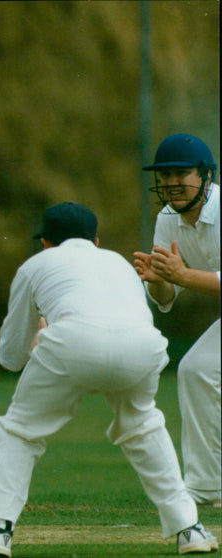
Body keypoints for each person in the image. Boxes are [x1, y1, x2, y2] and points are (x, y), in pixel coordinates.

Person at [0, 203, 218, 557]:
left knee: (19, 429)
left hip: (72, 344)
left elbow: (10, 357)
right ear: (95, 240)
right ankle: (190, 528)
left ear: (45, 243)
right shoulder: (118, 263)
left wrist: (41, 334)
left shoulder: (36, 265)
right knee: (143, 424)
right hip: (145, 347)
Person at [134, 133, 220, 509]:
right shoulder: (168, 220)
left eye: (181, 173)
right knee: (196, 369)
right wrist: (159, 282)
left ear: (205, 175)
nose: (171, 183)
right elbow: (167, 300)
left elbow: (185, 278)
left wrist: (182, 276)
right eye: (165, 175)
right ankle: (207, 486)